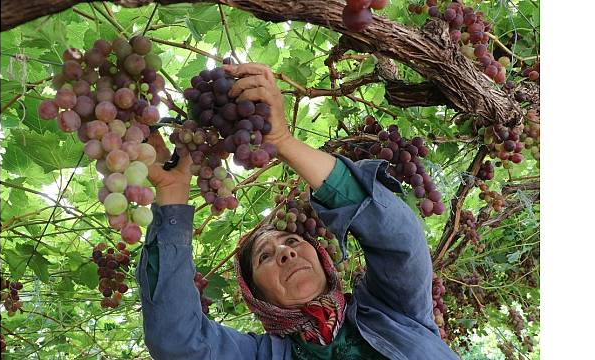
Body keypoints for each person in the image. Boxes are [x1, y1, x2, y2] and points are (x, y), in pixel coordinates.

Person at [136, 63, 459, 359]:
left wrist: (283, 141)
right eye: (265, 257)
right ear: (255, 293)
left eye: (292, 243)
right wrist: (172, 192)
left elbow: (398, 239)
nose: (285, 254)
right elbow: (176, 340)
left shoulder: (394, 313)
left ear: (322, 257)